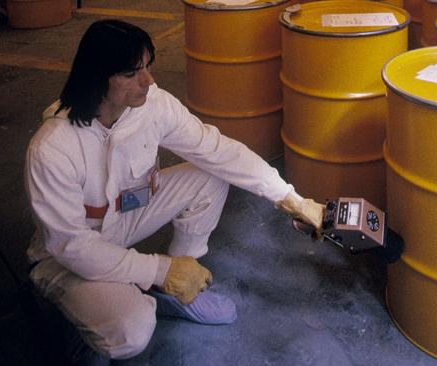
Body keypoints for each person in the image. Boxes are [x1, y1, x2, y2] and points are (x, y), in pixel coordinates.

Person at [24, 19, 325, 363]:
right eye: (132, 73)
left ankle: (179, 288)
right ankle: (86, 312)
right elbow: (71, 246)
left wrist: (290, 198)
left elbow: (217, 150)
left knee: (209, 174)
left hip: (123, 220)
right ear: (98, 78)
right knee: (130, 330)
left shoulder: (152, 105)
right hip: (67, 256)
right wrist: (159, 269)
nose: (148, 80)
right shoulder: (53, 148)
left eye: (148, 67)